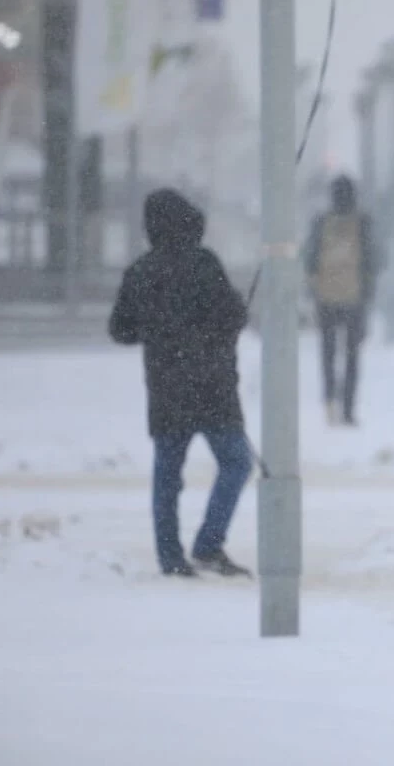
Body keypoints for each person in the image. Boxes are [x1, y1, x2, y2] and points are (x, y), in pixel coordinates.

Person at [108, 188, 252, 578]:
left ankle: (171, 559)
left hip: (167, 387)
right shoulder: (204, 264)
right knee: (236, 463)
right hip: (212, 386)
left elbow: (120, 330)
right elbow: (233, 314)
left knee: (168, 475)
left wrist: (158, 330)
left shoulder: (141, 271)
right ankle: (208, 544)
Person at [303, 175, 382, 426]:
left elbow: (309, 258)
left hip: (325, 298)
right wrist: (368, 289)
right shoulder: (363, 222)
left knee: (327, 353)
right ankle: (348, 408)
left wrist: (314, 288)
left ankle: (329, 403)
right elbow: (375, 258)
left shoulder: (321, 222)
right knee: (351, 356)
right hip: (354, 299)